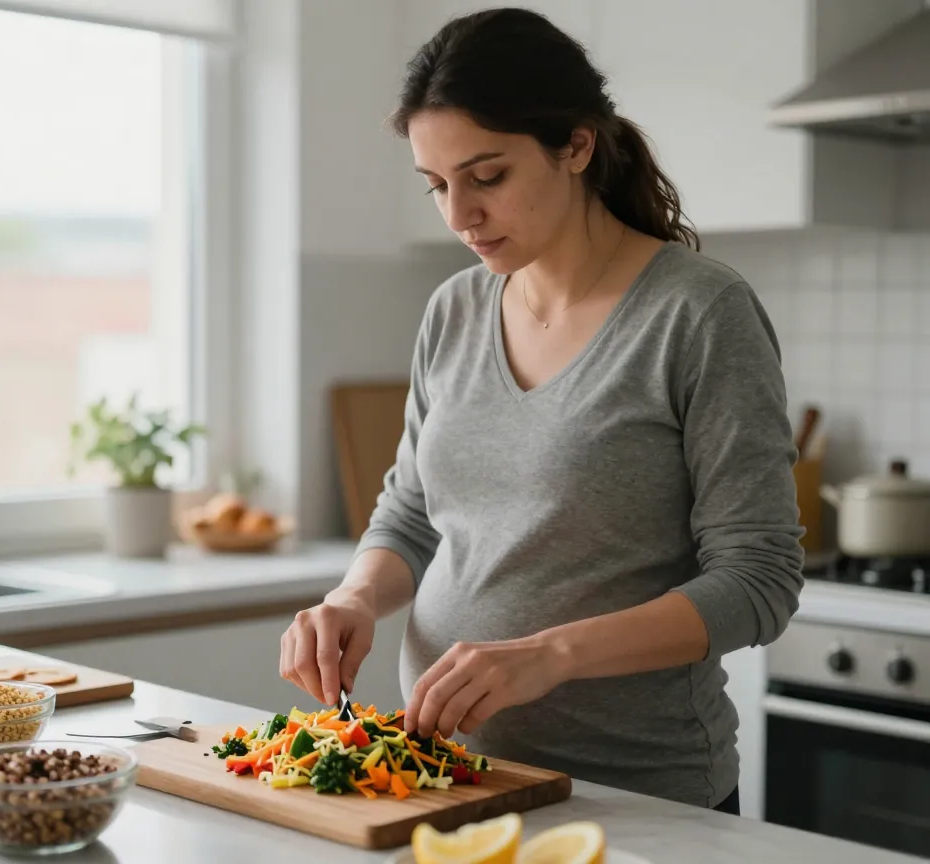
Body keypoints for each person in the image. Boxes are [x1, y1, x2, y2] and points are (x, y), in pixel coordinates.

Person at [278, 7, 804, 815]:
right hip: (437, 779)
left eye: (487, 177)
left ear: (576, 145)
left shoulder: (699, 313)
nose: (459, 216)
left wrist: (550, 654)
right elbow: (412, 517)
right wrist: (352, 597)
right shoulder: (454, 309)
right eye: (438, 186)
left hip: (636, 799)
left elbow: (758, 581)